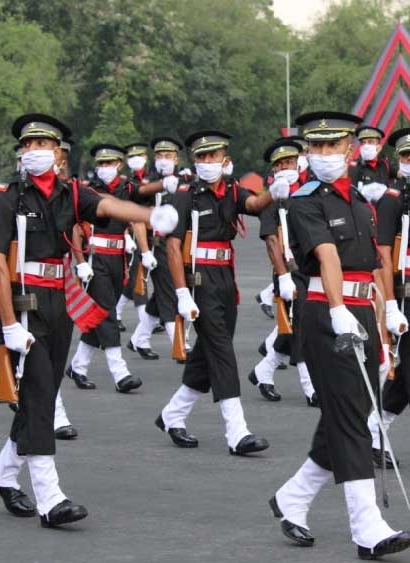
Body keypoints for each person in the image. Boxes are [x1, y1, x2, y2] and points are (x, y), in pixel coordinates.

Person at [0, 113, 177, 527]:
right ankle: (50, 499)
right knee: (37, 395)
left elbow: (106, 204)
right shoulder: (6, 196)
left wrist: (147, 216)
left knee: (44, 392)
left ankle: (2, 475)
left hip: (58, 300)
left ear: (58, 153)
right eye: (27, 145)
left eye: (42, 145)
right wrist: (9, 323)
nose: (33, 152)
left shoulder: (70, 193)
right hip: (23, 304)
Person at [269, 111, 410, 558]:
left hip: (363, 311)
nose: (324, 154)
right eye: (315, 147)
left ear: (350, 150)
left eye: (333, 146)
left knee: (345, 412)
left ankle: (292, 498)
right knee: (354, 420)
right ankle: (367, 527)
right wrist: (337, 310)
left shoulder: (360, 202)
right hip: (324, 313)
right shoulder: (304, 201)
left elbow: (373, 265)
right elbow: (328, 257)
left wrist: (387, 318)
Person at [154, 130, 277, 455]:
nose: (208, 162)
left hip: (224, 278)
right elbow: (173, 247)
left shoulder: (231, 191)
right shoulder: (184, 196)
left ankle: (172, 415)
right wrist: (181, 292)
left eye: (213, 156)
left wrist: (273, 191)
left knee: (207, 354)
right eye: (202, 157)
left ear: (225, 160)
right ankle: (237, 432)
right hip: (198, 280)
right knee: (221, 350)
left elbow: (252, 203)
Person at [66, 144, 150, 393]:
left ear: (119, 165)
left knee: (99, 315)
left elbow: (136, 219)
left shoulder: (126, 189)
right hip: (95, 257)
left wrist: (145, 252)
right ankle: (119, 371)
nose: (104, 168)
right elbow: (75, 227)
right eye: (100, 164)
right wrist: (80, 262)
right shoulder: (87, 191)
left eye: (109, 163)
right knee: (108, 313)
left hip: (118, 258)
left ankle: (78, 366)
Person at [247, 138, 317, 405]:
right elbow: (271, 240)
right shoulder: (272, 199)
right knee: (302, 328)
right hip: (289, 270)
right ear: (273, 170)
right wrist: (284, 277)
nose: (286, 167)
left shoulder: (308, 191)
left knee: (293, 328)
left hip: (311, 268)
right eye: (280, 164)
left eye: (290, 162)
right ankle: (310, 386)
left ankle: (263, 372)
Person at [126, 137, 182, 361]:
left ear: (176, 158)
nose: (163, 160)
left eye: (168, 156)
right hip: (155, 245)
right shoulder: (148, 185)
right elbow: (138, 220)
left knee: (161, 295)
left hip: (177, 245)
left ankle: (139, 338)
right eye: (159, 156)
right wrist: (145, 251)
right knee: (169, 294)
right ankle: (178, 344)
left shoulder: (183, 181)